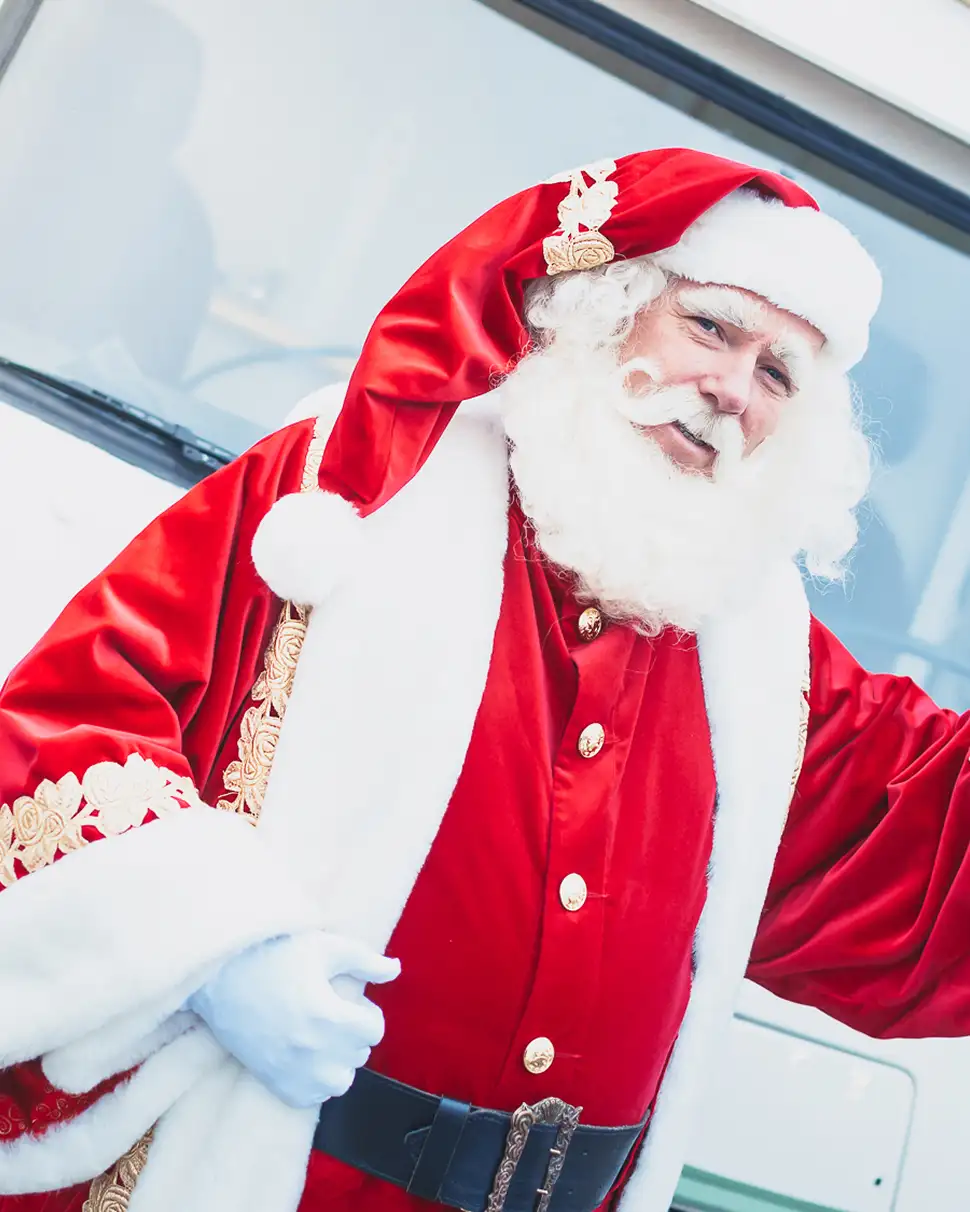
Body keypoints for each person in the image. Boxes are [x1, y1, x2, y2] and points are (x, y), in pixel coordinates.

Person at [0, 148, 966, 1212]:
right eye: (713, 328)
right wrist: (214, 950)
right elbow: (82, 708)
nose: (732, 388)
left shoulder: (765, 657)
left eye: (777, 373)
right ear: (611, 312)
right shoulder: (355, 487)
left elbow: (922, 850)